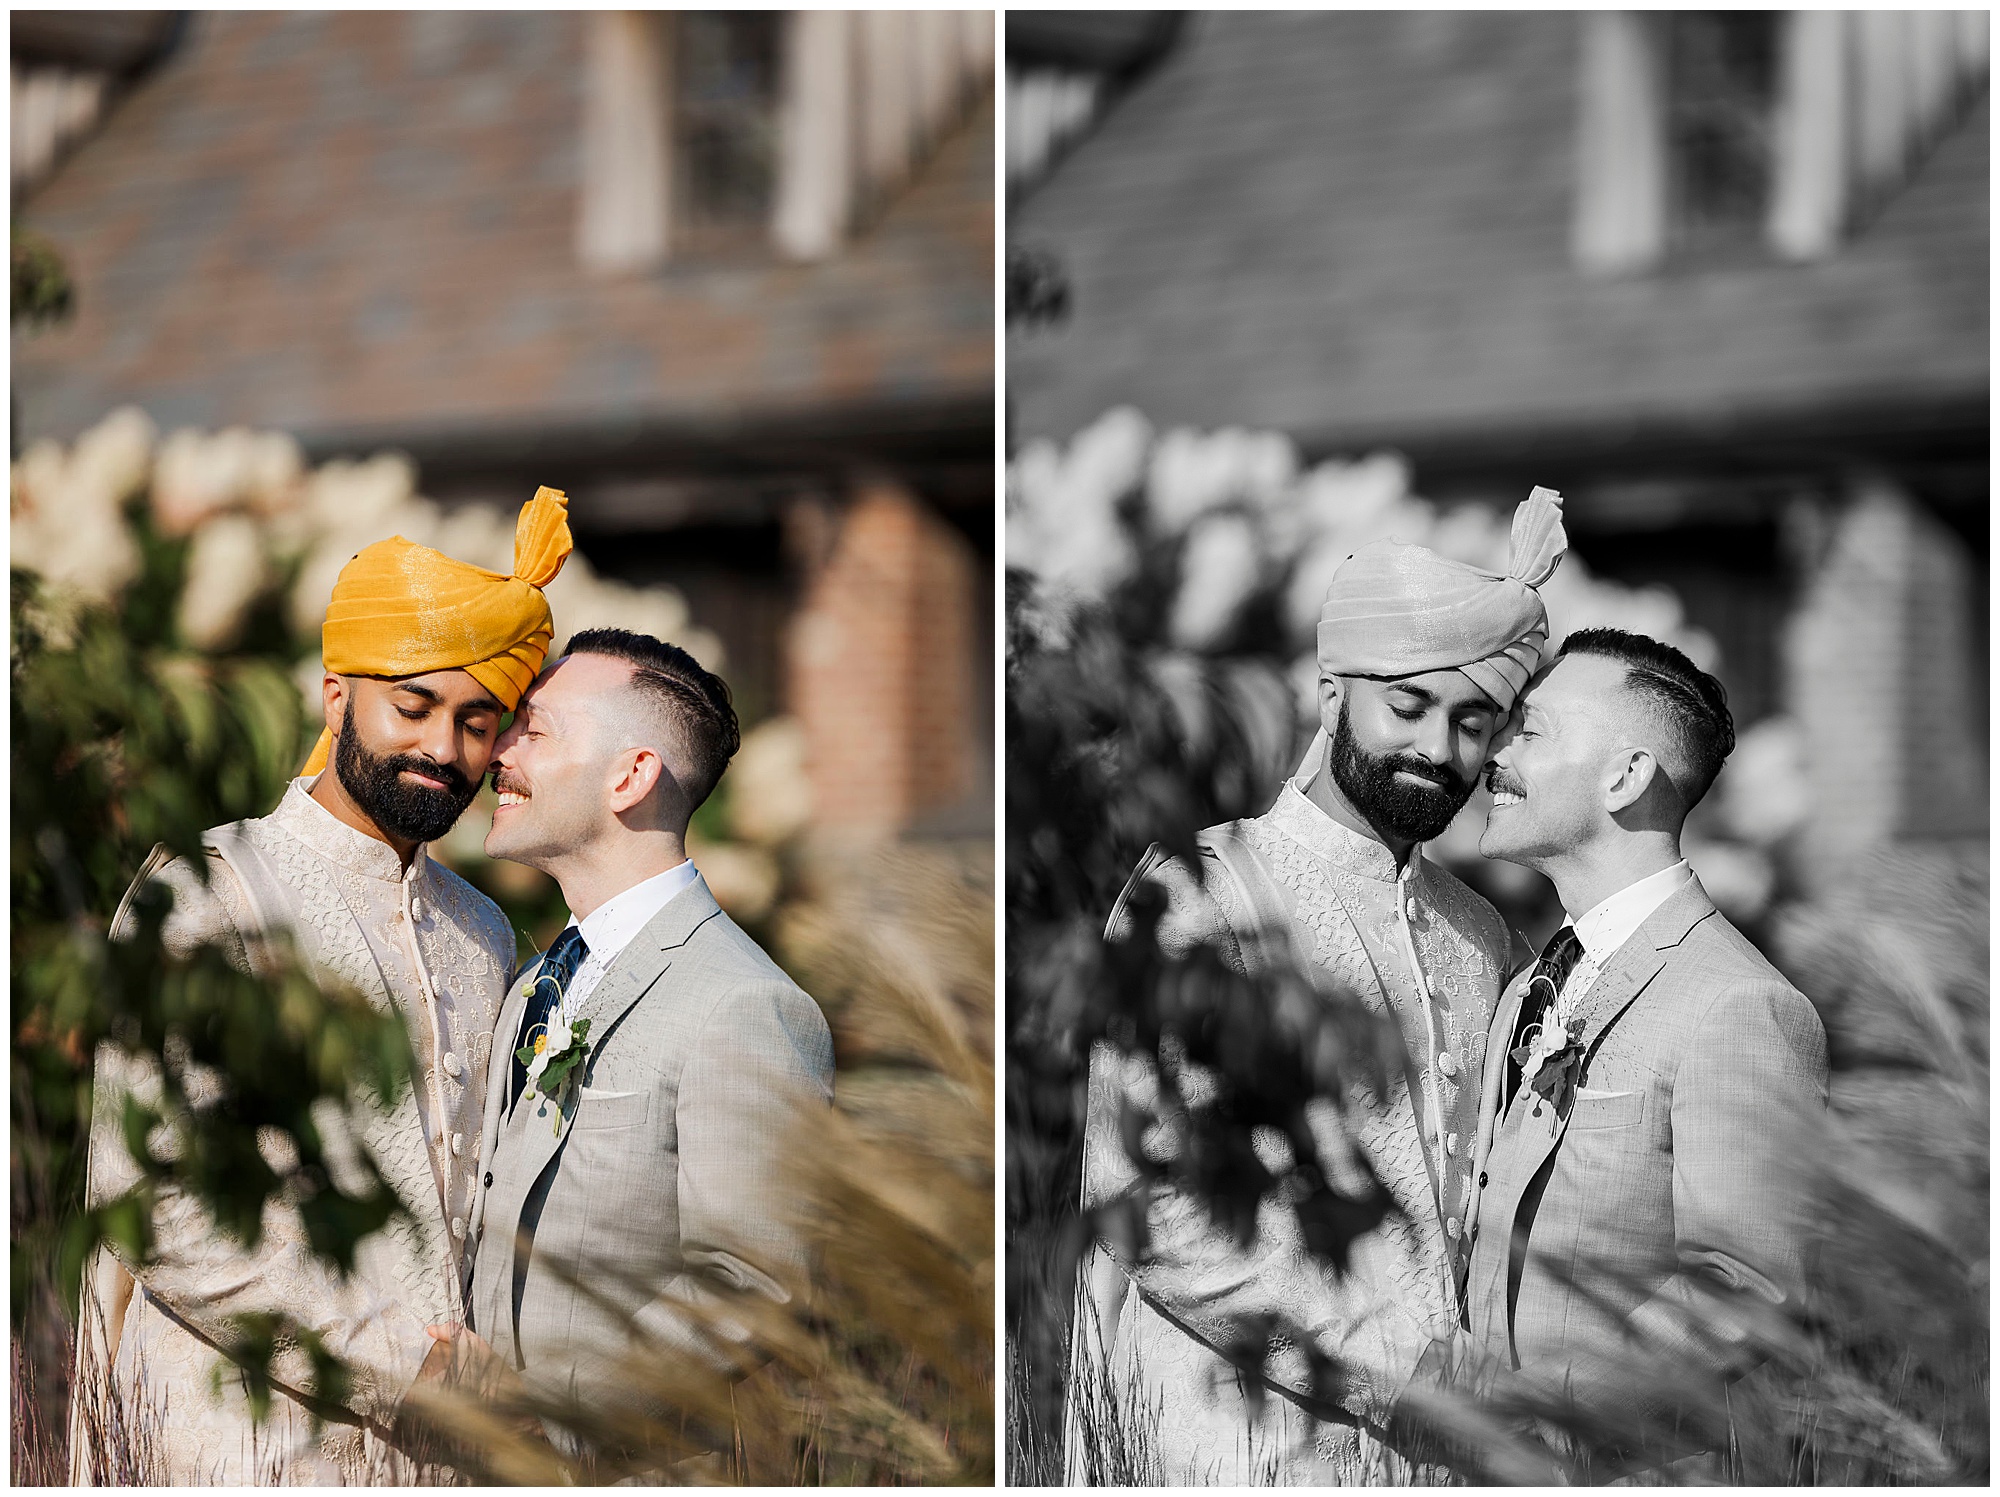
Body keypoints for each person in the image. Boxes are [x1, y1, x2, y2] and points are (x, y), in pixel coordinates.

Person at [74, 487, 573, 1484]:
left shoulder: (483, 932)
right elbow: (164, 1201)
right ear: (336, 696)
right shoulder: (210, 891)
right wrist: (410, 1366)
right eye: (415, 706)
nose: (445, 749)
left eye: (479, 721)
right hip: (228, 1446)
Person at [1071, 490, 1568, 1483]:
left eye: (1474, 721)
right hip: (1224, 1437)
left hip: (1436, 1455)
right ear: (1332, 689)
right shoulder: (1201, 887)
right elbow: (1152, 1203)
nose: (1438, 749)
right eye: (1409, 705)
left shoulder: (1480, 933)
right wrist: (1387, 1372)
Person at [447, 628, 833, 1461]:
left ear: (631, 775)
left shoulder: (748, 1003)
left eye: (534, 728)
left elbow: (752, 1285)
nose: (496, 748)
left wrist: (546, 1408)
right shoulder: (531, 984)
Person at [1466, 628, 1828, 1474]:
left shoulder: (1742, 1003)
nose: (1495, 750)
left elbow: (1744, 1282)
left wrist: (1549, 1415)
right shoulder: (1528, 985)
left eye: (1532, 728)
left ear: (1626, 776)